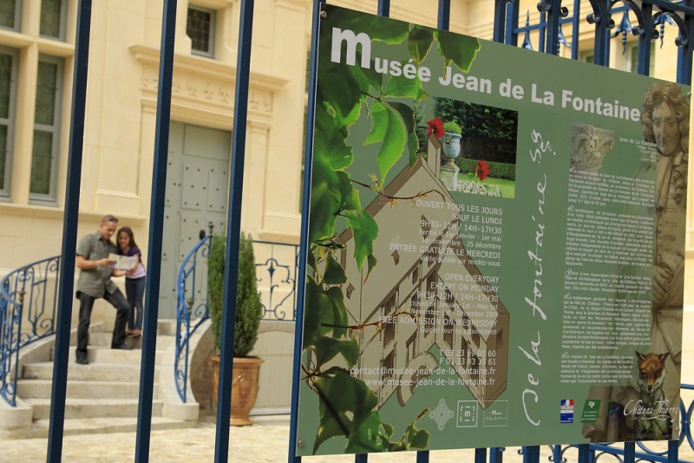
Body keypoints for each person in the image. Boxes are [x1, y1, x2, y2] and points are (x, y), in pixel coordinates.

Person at [75, 215, 132, 365]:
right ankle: (81, 353)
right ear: (101, 225)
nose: (111, 233)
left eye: (113, 230)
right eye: (109, 229)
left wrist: (122, 272)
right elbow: (80, 263)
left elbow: (111, 269)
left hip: (106, 284)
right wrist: (98, 262)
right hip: (89, 284)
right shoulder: (88, 240)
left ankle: (118, 342)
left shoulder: (112, 247)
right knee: (85, 320)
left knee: (124, 307)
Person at [117, 226, 146, 338]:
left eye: (125, 238)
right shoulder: (119, 251)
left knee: (138, 303)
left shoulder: (134, 250)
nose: (122, 241)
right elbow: (115, 263)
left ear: (130, 239)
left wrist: (123, 268)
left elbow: (134, 266)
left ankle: (138, 328)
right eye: (120, 238)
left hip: (139, 278)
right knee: (130, 303)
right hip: (129, 279)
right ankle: (130, 327)